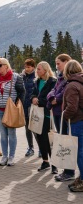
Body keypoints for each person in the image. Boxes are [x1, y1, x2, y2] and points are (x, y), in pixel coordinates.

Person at [0, 57, 25, 166]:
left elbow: (22, 92)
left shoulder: (16, 77)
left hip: (10, 111)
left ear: (6, 66)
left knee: (11, 134)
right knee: (3, 135)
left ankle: (11, 157)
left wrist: (17, 105)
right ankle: (4, 156)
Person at [46, 54, 75, 182]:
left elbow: (65, 93)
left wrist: (56, 99)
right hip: (57, 112)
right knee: (62, 140)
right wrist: (52, 97)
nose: (57, 66)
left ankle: (69, 171)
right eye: (56, 64)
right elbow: (53, 90)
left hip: (65, 113)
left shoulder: (69, 78)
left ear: (67, 62)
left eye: (59, 63)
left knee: (67, 142)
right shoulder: (59, 77)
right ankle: (66, 170)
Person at [30, 61, 57, 173]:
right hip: (37, 114)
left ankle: (54, 165)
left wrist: (39, 100)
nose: (37, 71)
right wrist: (33, 98)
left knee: (49, 139)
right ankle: (45, 161)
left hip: (47, 114)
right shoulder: (37, 81)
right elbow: (32, 93)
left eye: (39, 69)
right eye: (37, 69)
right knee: (40, 138)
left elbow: (52, 96)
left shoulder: (53, 81)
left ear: (45, 70)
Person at [62, 60, 83, 192]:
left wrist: (65, 116)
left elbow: (72, 107)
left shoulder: (72, 85)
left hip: (78, 121)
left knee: (80, 152)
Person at [21, 58, 38, 157]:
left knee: (36, 128)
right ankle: (30, 147)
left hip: (34, 107)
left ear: (33, 67)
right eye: (25, 67)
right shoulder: (22, 77)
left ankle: (41, 148)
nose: (27, 69)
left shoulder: (36, 77)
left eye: (29, 67)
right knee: (27, 128)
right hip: (24, 106)